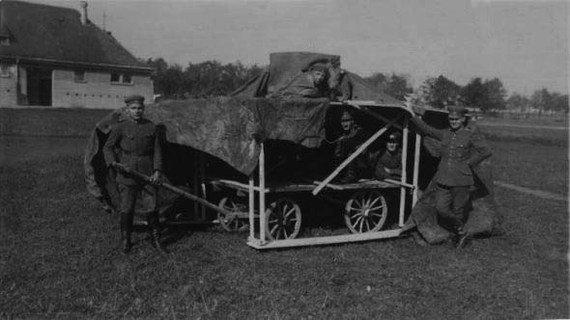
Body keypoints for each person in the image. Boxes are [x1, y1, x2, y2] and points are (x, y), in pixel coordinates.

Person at [403, 103, 492, 248]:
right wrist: (412, 115)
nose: (453, 122)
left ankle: (457, 236)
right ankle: (462, 232)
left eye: (456, 119)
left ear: (463, 119)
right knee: (441, 209)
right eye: (451, 119)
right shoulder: (445, 133)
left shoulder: (469, 135)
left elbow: (486, 151)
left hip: (461, 179)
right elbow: (426, 129)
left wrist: (469, 163)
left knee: (458, 210)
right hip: (443, 179)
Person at [103, 94, 166, 254]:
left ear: (143, 109)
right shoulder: (120, 127)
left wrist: (157, 170)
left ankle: (156, 240)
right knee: (127, 207)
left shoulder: (151, 127)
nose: (137, 111)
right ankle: (126, 240)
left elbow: (157, 150)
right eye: (133, 108)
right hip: (127, 174)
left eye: (140, 108)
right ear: (127, 109)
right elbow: (107, 147)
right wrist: (114, 163)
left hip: (148, 174)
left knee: (151, 207)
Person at [333, 109, 368, 183]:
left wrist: (342, 140)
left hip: (361, 162)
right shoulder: (344, 133)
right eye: (343, 121)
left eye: (347, 120)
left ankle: (351, 175)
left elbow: (353, 140)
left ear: (352, 121)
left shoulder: (358, 130)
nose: (345, 123)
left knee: (351, 153)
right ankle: (339, 174)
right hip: (350, 162)